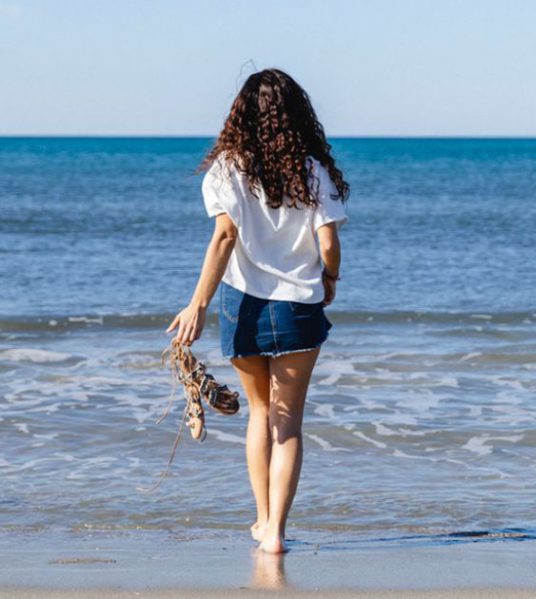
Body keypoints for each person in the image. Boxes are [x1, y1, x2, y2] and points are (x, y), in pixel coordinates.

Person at [165, 68, 349, 554]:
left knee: (260, 413)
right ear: (296, 114)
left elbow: (225, 238)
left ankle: (262, 517)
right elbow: (328, 242)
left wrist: (196, 305)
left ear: (241, 115)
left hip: (242, 303)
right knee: (288, 424)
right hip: (298, 307)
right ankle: (276, 534)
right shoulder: (313, 170)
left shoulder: (226, 169)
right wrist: (329, 277)